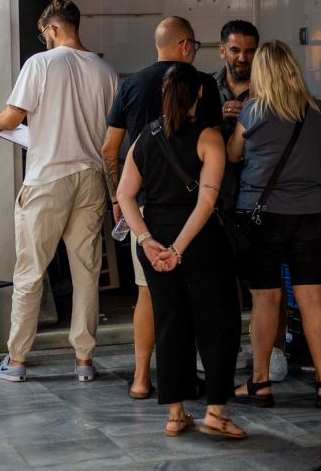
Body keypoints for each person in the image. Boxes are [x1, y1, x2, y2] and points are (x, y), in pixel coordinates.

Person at [0, 0, 118, 383]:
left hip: (47, 179)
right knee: (87, 273)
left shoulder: (40, 63)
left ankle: (16, 360)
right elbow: (112, 139)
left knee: (30, 271)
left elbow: (13, 117)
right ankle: (84, 361)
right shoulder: (107, 72)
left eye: (44, 33)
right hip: (91, 179)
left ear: (53, 29)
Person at [117, 62, 245, 439]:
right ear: (200, 94)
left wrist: (146, 240)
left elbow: (124, 194)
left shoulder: (145, 136)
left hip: (156, 239)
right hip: (199, 242)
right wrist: (178, 249)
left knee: (170, 324)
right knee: (218, 323)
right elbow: (206, 203)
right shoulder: (209, 137)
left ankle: (175, 415)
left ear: (163, 94)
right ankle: (216, 413)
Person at [101, 16, 221, 399]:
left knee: (148, 295)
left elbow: (109, 148)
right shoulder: (203, 85)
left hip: (147, 213)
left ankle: (141, 378)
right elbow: (213, 145)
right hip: (194, 217)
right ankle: (195, 380)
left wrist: (118, 199)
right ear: (185, 46)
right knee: (196, 300)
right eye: (195, 46)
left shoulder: (131, 85)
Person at [227, 40, 321, 409]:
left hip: (264, 215)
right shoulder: (319, 111)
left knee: (266, 297)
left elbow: (233, 154)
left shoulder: (253, 111)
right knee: (312, 297)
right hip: (315, 213)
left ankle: (260, 382)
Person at [213, 20, 287, 383]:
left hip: (264, 200)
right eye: (235, 50)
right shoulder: (206, 88)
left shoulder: (274, 87)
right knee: (224, 280)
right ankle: (232, 347)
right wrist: (217, 119)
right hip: (220, 198)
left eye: (249, 50)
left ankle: (274, 352)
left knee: (270, 284)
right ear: (222, 51)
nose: (242, 58)